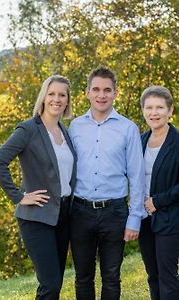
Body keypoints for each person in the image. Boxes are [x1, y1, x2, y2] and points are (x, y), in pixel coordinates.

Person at [0, 75, 77, 300]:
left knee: (54, 283)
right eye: (52, 93)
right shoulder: (29, 129)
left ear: (67, 100)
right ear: (44, 97)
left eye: (62, 95)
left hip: (63, 215)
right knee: (50, 285)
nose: (57, 99)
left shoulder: (64, 131)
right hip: (37, 217)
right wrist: (18, 196)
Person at [68, 66, 146, 300]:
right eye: (96, 89)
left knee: (111, 276)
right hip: (79, 211)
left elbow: (137, 175)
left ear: (115, 93)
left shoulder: (128, 128)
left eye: (107, 90)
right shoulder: (75, 127)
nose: (101, 95)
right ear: (87, 93)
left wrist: (135, 218)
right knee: (83, 276)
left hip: (115, 212)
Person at [138, 85, 179, 300]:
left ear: (170, 110)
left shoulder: (177, 142)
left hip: (170, 219)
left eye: (160, 107)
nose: (154, 113)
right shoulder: (140, 140)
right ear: (143, 110)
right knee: (152, 276)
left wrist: (158, 201)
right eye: (149, 107)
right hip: (144, 219)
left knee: (167, 277)